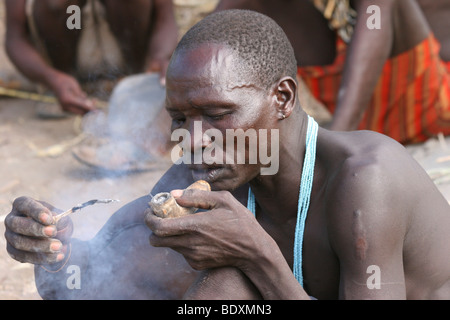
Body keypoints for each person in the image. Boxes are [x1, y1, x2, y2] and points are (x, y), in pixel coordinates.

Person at [4, 9, 450, 300]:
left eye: (217, 113)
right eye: (179, 119)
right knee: (223, 287)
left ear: (283, 98)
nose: (194, 139)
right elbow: (93, 284)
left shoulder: (366, 182)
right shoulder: (208, 176)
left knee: (234, 278)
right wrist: (54, 250)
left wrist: (256, 255)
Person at [214, 0, 450, 145]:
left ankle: (337, 139)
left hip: (424, 98)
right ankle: (199, 117)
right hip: (350, 86)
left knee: (379, 5)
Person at [4, 0, 178, 115]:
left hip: (126, 48)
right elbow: (15, 37)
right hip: (64, 52)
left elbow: (166, 17)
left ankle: (134, 79)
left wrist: (160, 56)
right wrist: (51, 78)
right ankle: (66, 86)